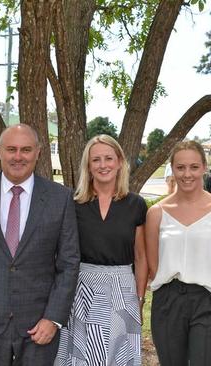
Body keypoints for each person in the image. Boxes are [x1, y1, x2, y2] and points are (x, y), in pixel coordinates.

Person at [0, 124, 80, 366]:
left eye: (26, 149)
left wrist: (53, 318)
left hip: (38, 326)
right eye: (11, 149)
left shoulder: (60, 197)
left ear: (38, 152)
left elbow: (69, 263)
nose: (18, 156)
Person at [55, 135, 147, 365]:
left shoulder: (136, 204)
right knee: (84, 355)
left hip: (123, 288)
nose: (103, 165)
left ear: (119, 162)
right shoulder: (73, 203)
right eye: (96, 160)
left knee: (118, 356)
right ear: (88, 165)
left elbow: (141, 256)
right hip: (82, 288)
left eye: (108, 158)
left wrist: (140, 298)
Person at [146, 141, 211, 366]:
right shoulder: (156, 213)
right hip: (168, 301)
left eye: (194, 167)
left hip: (209, 300)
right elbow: (153, 264)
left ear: (204, 167)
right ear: (172, 169)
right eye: (180, 167)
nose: (187, 174)